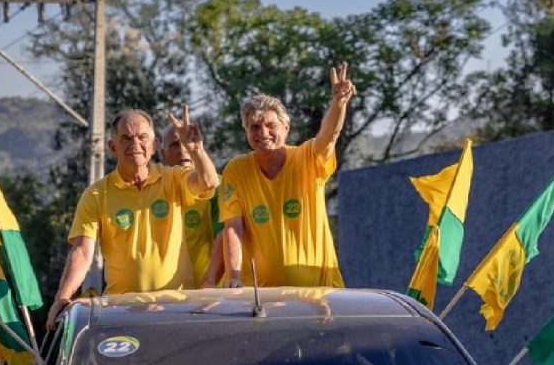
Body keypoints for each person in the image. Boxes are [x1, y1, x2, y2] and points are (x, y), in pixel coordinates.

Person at [46, 106, 218, 329]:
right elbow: (82, 251)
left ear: (154, 145)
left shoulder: (174, 179)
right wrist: (63, 296)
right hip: (122, 311)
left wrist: (196, 150)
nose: (135, 144)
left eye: (142, 137)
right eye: (126, 138)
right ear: (112, 147)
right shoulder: (97, 194)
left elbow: (208, 183)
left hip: (176, 308)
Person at [220, 62, 356, 287]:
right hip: (258, 300)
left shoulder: (307, 158)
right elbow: (232, 228)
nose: (263, 133)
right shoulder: (236, 169)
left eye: (271, 125)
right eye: (254, 127)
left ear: (286, 127)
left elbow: (328, 136)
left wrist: (339, 103)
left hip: (319, 295)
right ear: (246, 131)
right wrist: (234, 277)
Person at [159, 124, 224, 287]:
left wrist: (209, 281)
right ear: (162, 154)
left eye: (187, 142)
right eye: (174, 144)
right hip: (164, 298)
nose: (183, 149)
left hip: (207, 294)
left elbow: (226, 236)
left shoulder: (216, 187)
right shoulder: (152, 189)